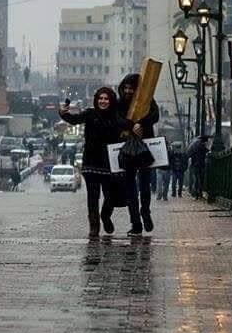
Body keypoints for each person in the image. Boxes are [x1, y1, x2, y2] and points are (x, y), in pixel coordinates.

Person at [59, 87, 130, 237]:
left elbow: (128, 125)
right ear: (96, 100)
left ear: (111, 100)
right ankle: (94, 225)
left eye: (106, 99)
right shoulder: (90, 113)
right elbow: (74, 119)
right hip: (91, 162)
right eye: (100, 98)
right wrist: (63, 113)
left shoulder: (116, 116)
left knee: (110, 196)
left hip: (109, 163)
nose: (103, 101)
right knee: (93, 196)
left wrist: (136, 126)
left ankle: (105, 216)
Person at [117, 73, 160, 236]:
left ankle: (145, 212)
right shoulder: (119, 103)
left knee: (144, 184)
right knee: (130, 187)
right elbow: (116, 119)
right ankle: (135, 223)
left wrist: (141, 123)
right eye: (126, 88)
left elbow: (155, 115)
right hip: (127, 148)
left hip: (144, 147)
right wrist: (131, 125)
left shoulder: (147, 100)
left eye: (131, 88)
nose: (128, 91)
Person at [187, 135, 209, 200]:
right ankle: (199, 193)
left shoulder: (194, 146)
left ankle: (196, 194)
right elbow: (206, 151)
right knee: (200, 180)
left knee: (196, 180)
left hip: (195, 165)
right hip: (200, 165)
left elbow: (189, 154)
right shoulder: (201, 146)